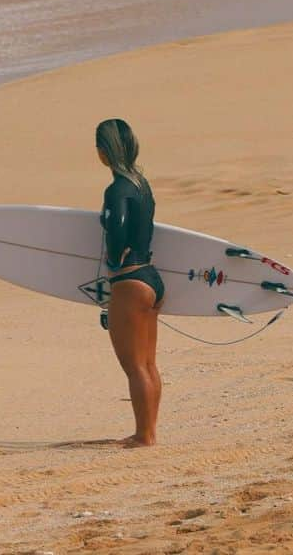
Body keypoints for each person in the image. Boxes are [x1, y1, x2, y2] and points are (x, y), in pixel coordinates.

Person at [98, 118, 164, 448]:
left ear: (103, 153)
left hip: (129, 282)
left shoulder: (117, 189)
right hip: (152, 278)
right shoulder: (142, 185)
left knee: (135, 366)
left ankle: (144, 436)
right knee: (148, 364)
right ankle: (148, 431)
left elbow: (118, 226)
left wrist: (113, 255)